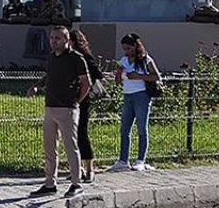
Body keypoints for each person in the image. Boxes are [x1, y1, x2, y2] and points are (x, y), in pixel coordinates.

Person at [27, 26, 90, 198]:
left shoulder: (76, 59)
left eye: (58, 38)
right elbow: (50, 77)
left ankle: (76, 183)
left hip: (67, 108)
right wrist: (36, 86)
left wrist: (77, 101)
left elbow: (86, 83)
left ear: (67, 40)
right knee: (49, 147)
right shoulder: (52, 58)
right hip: (50, 107)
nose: (54, 41)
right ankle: (50, 183)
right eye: (52, 38)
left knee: (71, 147)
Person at [110, 33, 160, 172]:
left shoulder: (145, 60)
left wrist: (138, 76)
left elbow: (156, 76)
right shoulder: (124, 60)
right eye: (124, 49)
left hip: (142, 95)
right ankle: (123, 160)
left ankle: (140, 160)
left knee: (142, 129)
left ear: (135, 46)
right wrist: (119, 73)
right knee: (125, 129)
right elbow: (118, 82)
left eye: (129, 48)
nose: (127, 51)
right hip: (127, 95)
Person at [70, 30, 104, 183]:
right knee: (71, 136)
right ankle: (77, 169)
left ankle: (90, 168)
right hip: (68, 98)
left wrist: (82, 78)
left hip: (82, 98)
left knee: (82, 133)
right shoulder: (65, 56)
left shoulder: (83, 56)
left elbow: (97, 73)